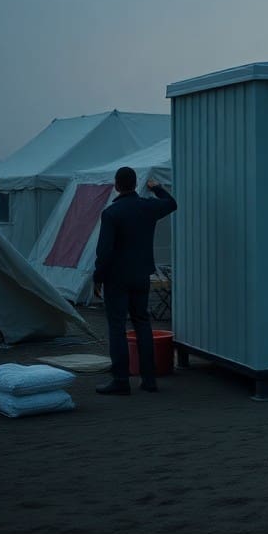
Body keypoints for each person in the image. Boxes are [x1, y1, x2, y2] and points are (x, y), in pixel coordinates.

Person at [93, 166, 178, 395]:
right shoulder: (148, 207)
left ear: (117, 185)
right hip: (141, 276)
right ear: (135, 184)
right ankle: (149, 379)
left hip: (116, 279)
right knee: (142, 324)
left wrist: (98, 277)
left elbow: (105, 251)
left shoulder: (111, 214)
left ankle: (121, 380)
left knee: (117, 328)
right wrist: (157, 188)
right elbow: (171, 203)